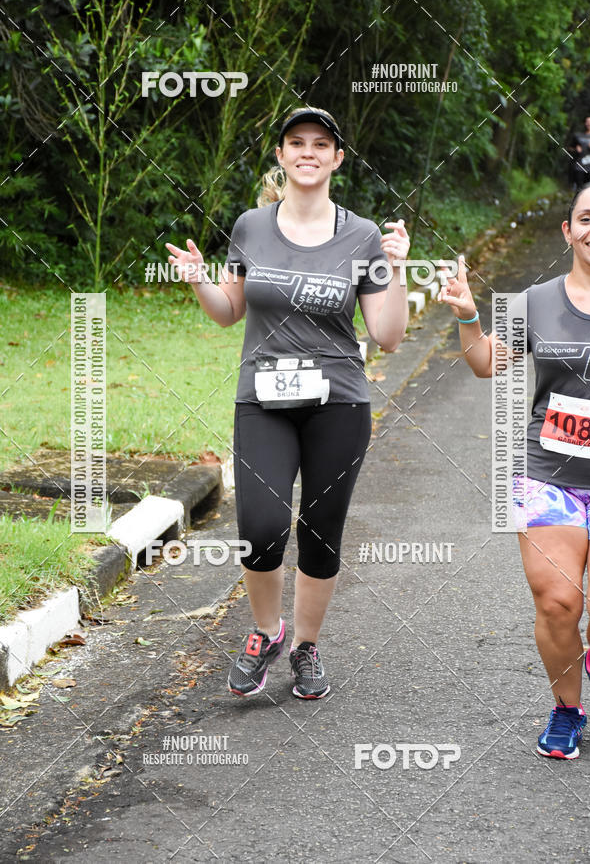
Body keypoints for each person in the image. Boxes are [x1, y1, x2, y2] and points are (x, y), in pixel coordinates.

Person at [166, 107, 410, 699]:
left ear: (337, 159)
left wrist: (398, 269)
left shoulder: (362, 236)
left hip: (339, 404)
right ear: (280, 155)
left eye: (320, 144)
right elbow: (229, 311)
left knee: (320, 531)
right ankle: (266, 631)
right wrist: (199, 278)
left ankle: (305, 646)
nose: (308, 152)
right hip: (263, 400)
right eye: (296, 142)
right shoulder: (251, 227)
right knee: (260, 526)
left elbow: (387, 335)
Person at [439, 180, 590, 759]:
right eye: (586, 218)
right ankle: (566, 709)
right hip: (546, 473)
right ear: (568, 230)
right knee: (558, 602)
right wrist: (468, 315)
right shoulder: (533, 301)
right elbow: (486, 363)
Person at [569, 116, 590, 188]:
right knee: (579, 189)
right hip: (579, 167)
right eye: (587, 121)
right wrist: (576, 149)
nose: (588, 123)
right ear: (584, 123)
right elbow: (569, 148)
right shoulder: (577, 135)